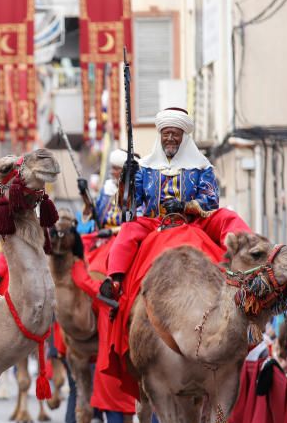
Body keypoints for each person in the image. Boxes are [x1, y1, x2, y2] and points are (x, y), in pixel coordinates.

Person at [100, 108, 250, 301]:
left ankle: (249, 257)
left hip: (191, 222)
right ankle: (115, 280)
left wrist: (185, 205)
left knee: (227, 217)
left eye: (175, 134)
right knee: (128, 228)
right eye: (166, 133)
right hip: (154, 223)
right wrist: (125, 180)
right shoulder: (145, 167)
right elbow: (129, 206)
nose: (170, 138)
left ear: (184, 137)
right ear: (160, 136)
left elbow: (210, 200)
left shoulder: (202, 167)